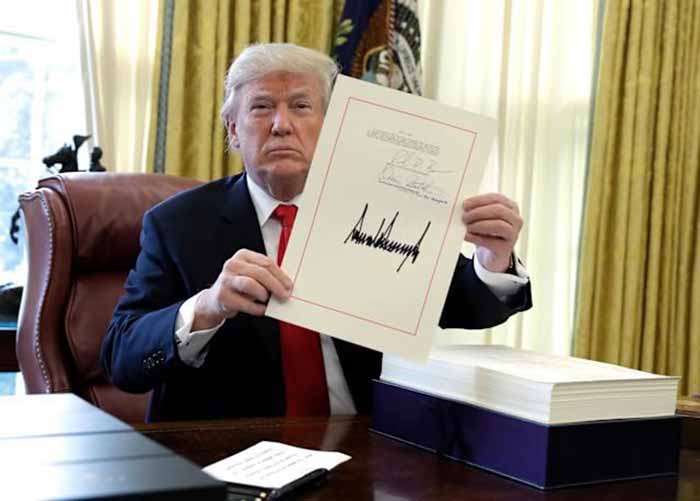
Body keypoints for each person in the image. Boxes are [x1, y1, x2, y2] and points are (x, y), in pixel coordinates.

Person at [101, 43, 532, 422]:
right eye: (261, 107)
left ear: (330, 128)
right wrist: (208, 306)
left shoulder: (379, 208)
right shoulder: (177, 225)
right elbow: (122, 359)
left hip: (365, 442)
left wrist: (492, 260)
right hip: (235, 449)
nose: (281, 124)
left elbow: (463, 305)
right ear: (233, 130)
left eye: (301, 106)